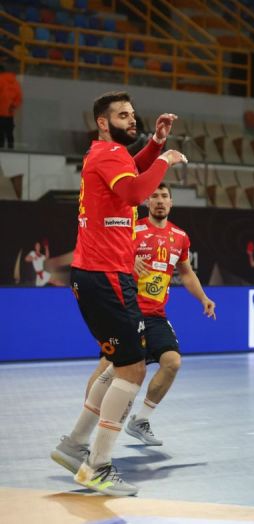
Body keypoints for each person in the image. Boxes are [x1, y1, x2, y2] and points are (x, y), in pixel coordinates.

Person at [49, 91, 186, 496]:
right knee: (131, 370)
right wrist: (165, 159)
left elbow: (132, 173)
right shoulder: (108, 154)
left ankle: (74, 445)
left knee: (117, 367)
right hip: (104, 275)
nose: (133, 120)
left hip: (108, 275)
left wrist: (155, 144)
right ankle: (98, 465)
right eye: (123, 115)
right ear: (103, 122)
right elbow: (133, 193)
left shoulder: (112, 155)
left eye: (133, 114)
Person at [81, 183, 216, 447]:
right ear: (146, 202)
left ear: (171, 203)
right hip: (126, 312)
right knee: (107, 370)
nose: (160, 201)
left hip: (155, 315)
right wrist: (129, 262)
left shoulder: (180, 236)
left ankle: (140, 420)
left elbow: (186, 273)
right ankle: (84, 431)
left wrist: (203, 298)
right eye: (154, 196)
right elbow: (107, 254)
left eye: (164, 197)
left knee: (172, 362)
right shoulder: (132, 230)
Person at [0, 64, 22, 149]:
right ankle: (11, 153)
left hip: (0, 113)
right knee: (9, 134)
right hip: (9, 113)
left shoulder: (0, 79)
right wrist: (13, 106)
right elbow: (19, 97)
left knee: (0, 135)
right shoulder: (15, 82)